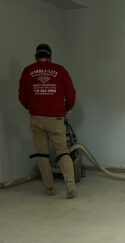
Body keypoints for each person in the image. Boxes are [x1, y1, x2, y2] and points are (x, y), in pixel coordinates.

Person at [19, 44, 77, 198]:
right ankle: (70, 185)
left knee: (43, 154)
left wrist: (31, 107)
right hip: (56, 118)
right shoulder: (60, 70)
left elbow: (22, 96)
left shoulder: (27, 71)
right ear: (50, 57)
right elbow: (71, 95)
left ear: (36, 57)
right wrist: (67, 109)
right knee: (63, 151)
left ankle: (49, 188)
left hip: (36, 118)